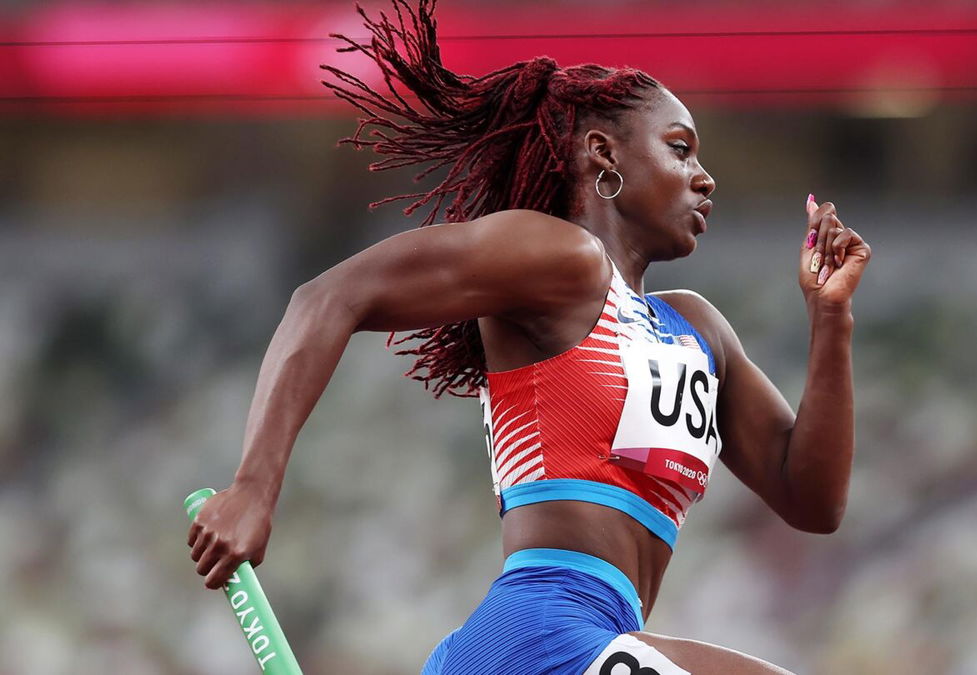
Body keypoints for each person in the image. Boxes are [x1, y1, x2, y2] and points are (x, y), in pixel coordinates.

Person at [186, 1, 871, 672]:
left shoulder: (697, 327)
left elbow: (811, 498)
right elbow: (329, 296)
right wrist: (253, 486)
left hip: (593, 639)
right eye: (680, 148)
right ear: (604, 154)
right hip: (536, 634)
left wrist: (830, 318)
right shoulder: (561, 259)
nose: (705, 176)